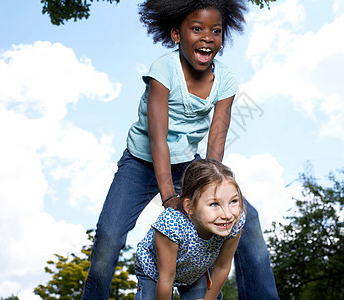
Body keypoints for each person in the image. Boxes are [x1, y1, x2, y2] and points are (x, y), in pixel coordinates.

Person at [81, 0, 279, 299]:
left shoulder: (225, 79)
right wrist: (169, 196)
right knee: (109, 234)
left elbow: (216, 141)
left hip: (187, 164)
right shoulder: (164, 69)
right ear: (176, 35)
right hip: (140, 162)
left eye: (216, 30)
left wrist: (212, 191)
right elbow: (157, 139)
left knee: (246, 218)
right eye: (197, 29)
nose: (207, 37)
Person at [135, 158, 245, 300]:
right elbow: (166, 279)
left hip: (194, 269)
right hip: (155, 271)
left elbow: (222, 267)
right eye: (214, 204)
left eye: (233, 201)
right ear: (189, 207)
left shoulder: (235, 222)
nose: (228, 215)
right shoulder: (171, 225)